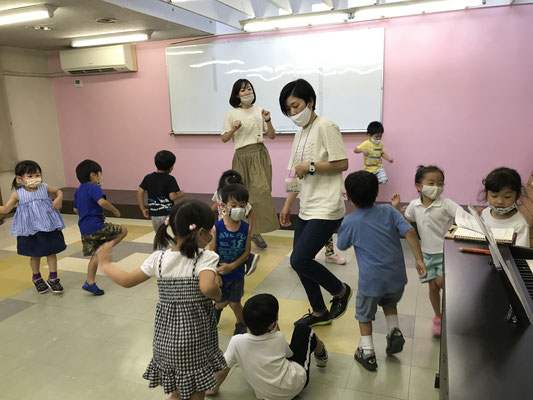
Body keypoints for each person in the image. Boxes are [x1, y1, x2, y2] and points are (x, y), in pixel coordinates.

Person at [97, 200, 226, 400]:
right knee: (196, 391)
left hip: (166, 339)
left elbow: (126, 280)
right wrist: (217, 292)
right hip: (194, 338)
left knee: (177, 389)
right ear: (201, 232)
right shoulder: (205, 257)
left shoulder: (158, 258)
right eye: (210, 231)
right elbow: (207, 287)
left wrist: (105, 263)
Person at [278, 78, 352, 327]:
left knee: (299, 259)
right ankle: (320, 312)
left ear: (310, 102)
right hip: (307, 207)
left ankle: (340, 291)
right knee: (299, 263)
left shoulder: (326, 126)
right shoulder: (299, 134)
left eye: (296, 106)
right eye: (288, 109)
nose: (292, 113)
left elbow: (342, 163)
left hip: (327, 207)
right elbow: (294, 175)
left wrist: (310, 166)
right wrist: (288, 205)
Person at [337, 171, 426, 371]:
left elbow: (341, 245)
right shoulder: (390, 211)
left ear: (348, 197)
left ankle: (367, 352)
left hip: (371, 282)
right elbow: (410, 231)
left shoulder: (350, 221)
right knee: (389, 301)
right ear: (377, 192)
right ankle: (393, 329)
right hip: (396, 277)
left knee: (363, 315)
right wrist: (419, 260)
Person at [206, 293, 328, 400]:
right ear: (272, 324)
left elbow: (223, 368)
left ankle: (320, 352)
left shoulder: (236, 342)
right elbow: (289, 355)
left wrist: (212, 389)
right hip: (295, 386)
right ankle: (321, 353)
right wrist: (276, 331)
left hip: (265, 394)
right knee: (303, 330)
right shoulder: (278, 338)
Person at [392, 165, 460, 336]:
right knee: (432, 287)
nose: (436, 187)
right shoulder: (414, 206)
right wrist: (395, 208)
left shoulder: (447, 204)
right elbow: (406, 224)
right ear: (419, 186)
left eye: (440, 183)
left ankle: (453, 313)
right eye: (432, 183)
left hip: (447, 253)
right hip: (427, 253)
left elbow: (463, 218)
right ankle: (438, 317)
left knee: (441, 282)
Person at [222, 79, 279, 249]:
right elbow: (224, 138)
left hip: (259, 155)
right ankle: (237, 231)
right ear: (237, 94)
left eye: (249, 89)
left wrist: (268, 120)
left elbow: (272, 135)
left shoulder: (260, 111)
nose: (247, 92)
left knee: (261, 193)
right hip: (241, 156)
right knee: (239, 195)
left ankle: (254, 231)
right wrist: (234, 129)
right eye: (242, 90)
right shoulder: (231, 113)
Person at [0, 160, 66, 294]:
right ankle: (37, 278)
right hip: (30, 230)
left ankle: (53, 278)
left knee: (51, 252)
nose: (35, 179)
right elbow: (6, 209)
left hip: (48, 226)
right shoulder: (17, 194)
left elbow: (58, 191)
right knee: (35, 254)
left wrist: (59, 198)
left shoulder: (44, 187)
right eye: (30, 176)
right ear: (20, 178)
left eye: (37, 175)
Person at [74, 159, 128, 295]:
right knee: (123, 231)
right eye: (99, 174)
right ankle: (106, 248)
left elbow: (75, 210)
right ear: (93, 175)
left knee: (95, 255)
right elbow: (102, 202)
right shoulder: (94, 187)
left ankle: (90, 283)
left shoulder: (78, 191)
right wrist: (115, 210)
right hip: (97, 226)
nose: (101, 178)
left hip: (84, 229)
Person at [210, 183, 252, 335]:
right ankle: (217, 310)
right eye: (234, 205)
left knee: (235, 303)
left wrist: (232, 266)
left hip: (237, 274)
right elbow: (211, 253)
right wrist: (215, 273)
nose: (238, 208)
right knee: (221, 303)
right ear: (224, 206)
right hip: (220, 275)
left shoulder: (246, 228)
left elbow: (247, 252)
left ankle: (241, 323)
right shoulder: (217, 228)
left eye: (242, 205)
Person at [212, 169, 259, 275]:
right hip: (223, 225)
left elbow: (250, 213)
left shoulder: (241, 200)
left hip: (238, 227)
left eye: (241, 205)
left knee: (238, 246)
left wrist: (250, 231)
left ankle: (248, 258)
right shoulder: (218, 194)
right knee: (222, 246)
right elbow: (216, 204)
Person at [479, 167, 530, 247]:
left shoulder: (520, 225)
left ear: (517, 196)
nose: (500, 201)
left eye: (507, 197)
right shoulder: (485, 213)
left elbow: (521, 254)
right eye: (494, 196)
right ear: (487, 194)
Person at [137, 150, 185, 232]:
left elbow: (139, 192)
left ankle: (160, 244)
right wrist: (182, 194)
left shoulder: (148, 177)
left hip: (154, 214)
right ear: (171, 167)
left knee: (159, 235)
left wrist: (142, 208)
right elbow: (172, 196)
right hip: (168, 214)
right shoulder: (170, 179)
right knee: (176, 232)